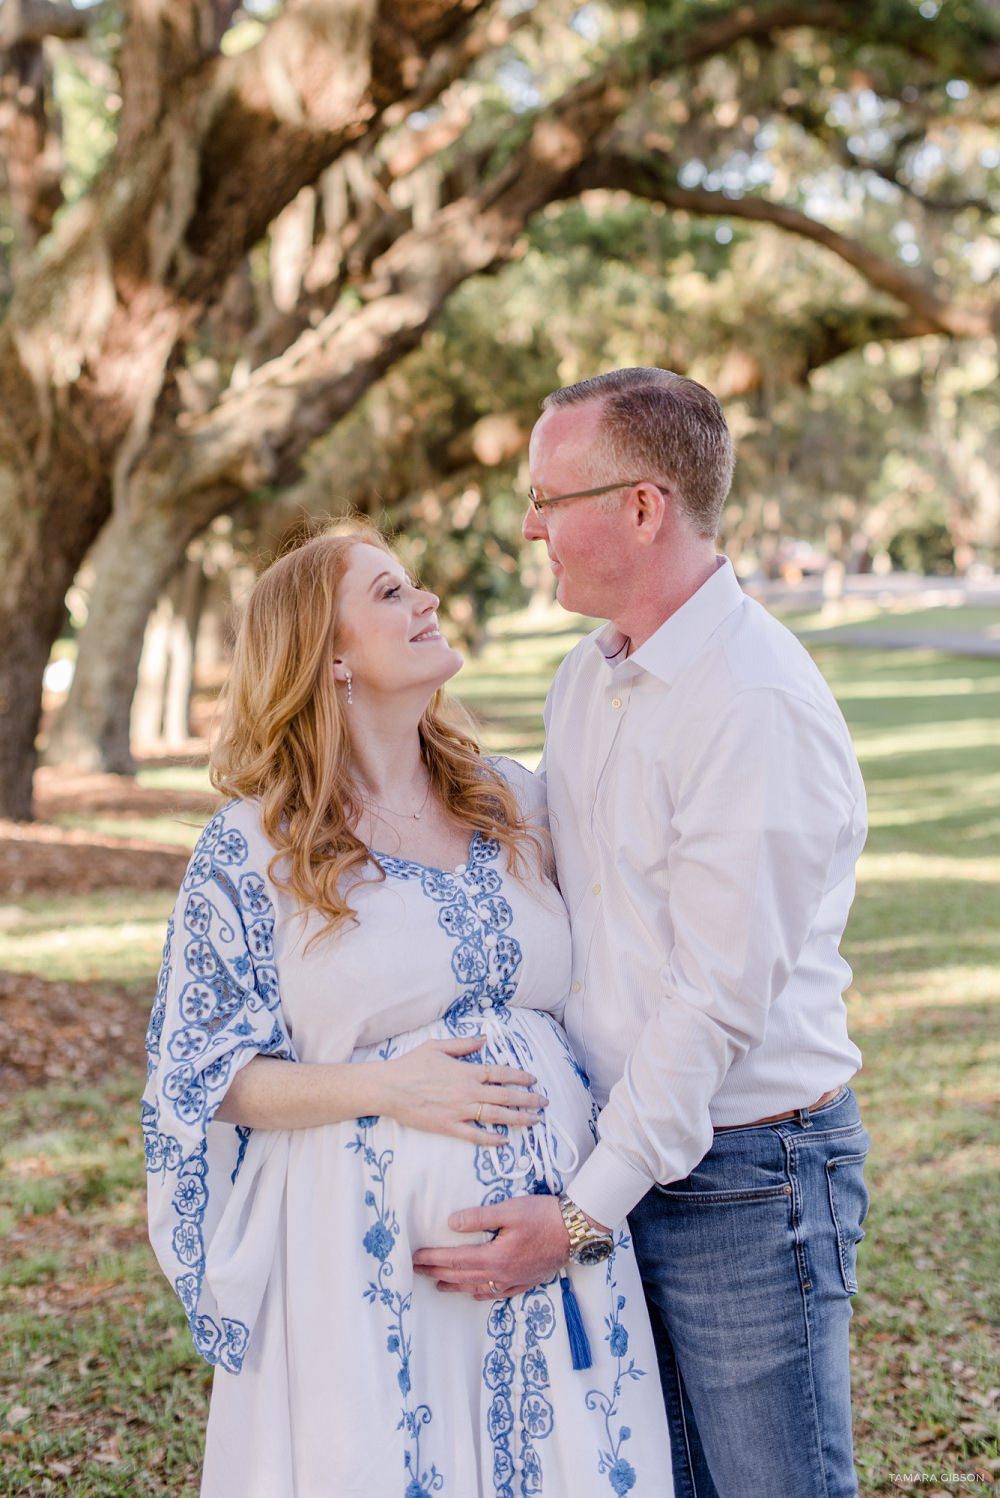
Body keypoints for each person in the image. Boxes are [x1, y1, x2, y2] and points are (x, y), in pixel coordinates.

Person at [142, 524, 674, 1498]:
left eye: (415, 583)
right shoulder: (253, 846)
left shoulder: (512, 800)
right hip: (365, 1256)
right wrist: (386, 1086)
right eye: (390, 592)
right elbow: (205, 1075)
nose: (425, 599)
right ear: (329, 654)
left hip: (556, 1232)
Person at [414, 369, 872, 1498]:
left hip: (744, 1177)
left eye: (548, 496)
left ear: (640, 506)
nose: (528, 525)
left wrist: (577, 1212)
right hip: (620, 1159)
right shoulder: (589, 677)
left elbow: (713, 1003)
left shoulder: (752, 703)